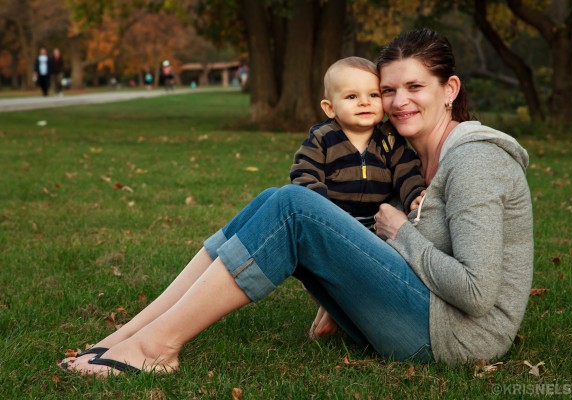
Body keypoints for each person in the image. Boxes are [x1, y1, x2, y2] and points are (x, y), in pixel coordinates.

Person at [59, 28, 533, 375]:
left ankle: (157, 347)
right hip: (425, 312)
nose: (397, 101)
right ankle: (130, 334)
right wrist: (351, 276)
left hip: (458, 340)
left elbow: (476, 293)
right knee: (273, 198)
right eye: (388, 89)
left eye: (415, 87)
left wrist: (402, 234)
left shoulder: (475, 162)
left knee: (292, 206)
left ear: (449, 90)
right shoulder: (412, 158)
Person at [291, 56, 426, 231]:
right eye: (352, 96)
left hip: (377, 228)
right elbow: (305, 175)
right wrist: (321, 210)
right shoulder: (322, 139)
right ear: (330, 108)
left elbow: (406, 171)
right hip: (332, 224)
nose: (364, 102)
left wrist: (414, 194)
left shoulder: (389, 138)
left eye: (373, 95)